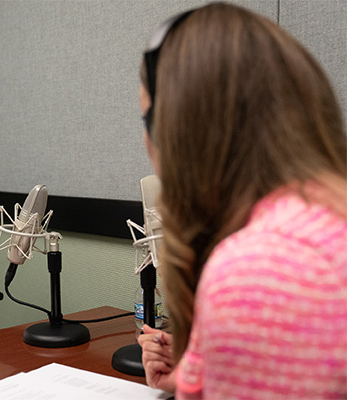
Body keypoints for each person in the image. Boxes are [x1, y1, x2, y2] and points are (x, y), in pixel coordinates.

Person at [136, 3, 346, 399]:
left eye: (146, 120)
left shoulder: (267, 268)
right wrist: (195, 372)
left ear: (177, 133)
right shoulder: (317, 224)